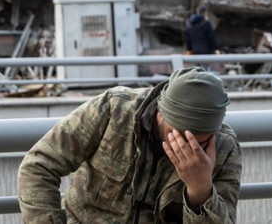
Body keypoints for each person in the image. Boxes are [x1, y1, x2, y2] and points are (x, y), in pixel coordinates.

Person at [18, 67, 241, 223]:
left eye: (199, 143)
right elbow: (39, 165)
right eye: (178, 135)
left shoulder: (224, 148)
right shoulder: (115, 110)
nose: (186, 148)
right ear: (160, 113)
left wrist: (200, 190)